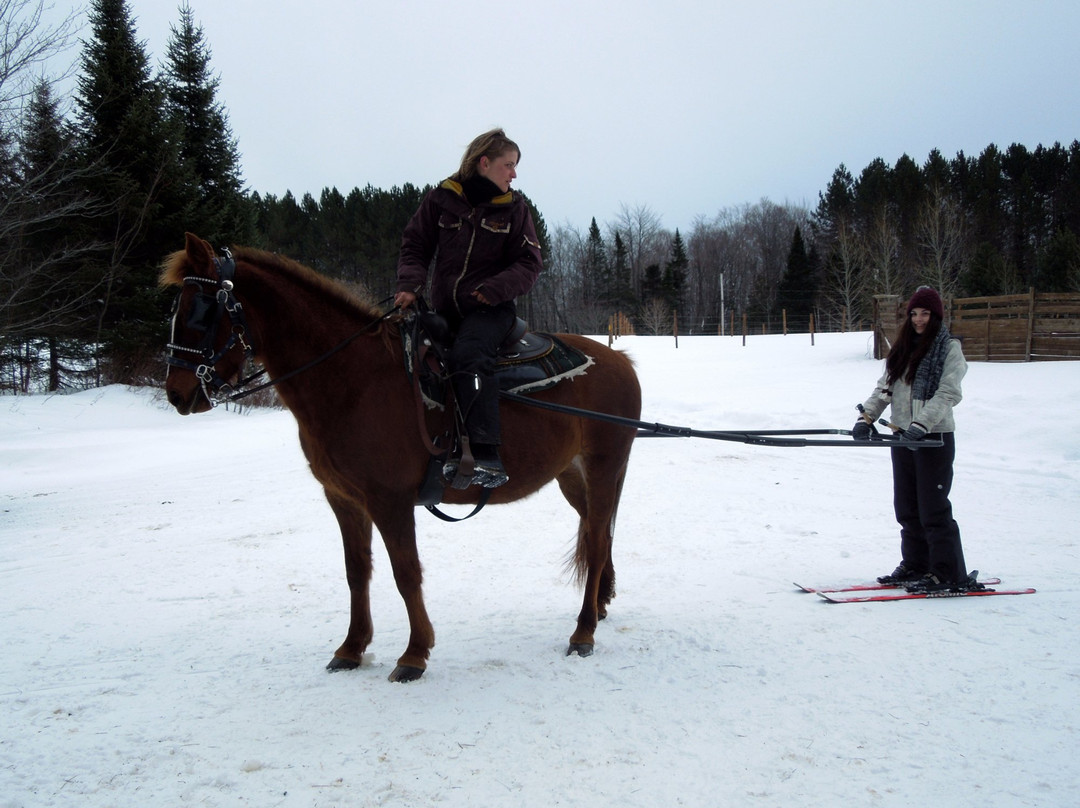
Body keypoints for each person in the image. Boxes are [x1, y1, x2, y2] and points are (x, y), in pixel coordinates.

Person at [395, 128, 543, 488]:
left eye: (515, 166)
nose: (514, 173)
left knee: (469, 354)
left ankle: (486, 454)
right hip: (445, 310)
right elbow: (415, 245)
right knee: (402, 351)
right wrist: (410, 286)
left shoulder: (515, 210)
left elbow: (529, 263)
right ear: (485, 162)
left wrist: (494, 289)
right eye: (508, 165)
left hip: (491, 310)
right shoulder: (442, 199)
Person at [851, 286, 978, 593]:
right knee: (907, 507)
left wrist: (922, 424)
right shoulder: (904, 347)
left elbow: (949, 393)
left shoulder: (949, 349)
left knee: (933, 508)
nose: (919, 320)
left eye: (925, 314)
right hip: (902, 437)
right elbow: (886, 388)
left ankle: (947, 572)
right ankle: (916, 564)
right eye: (914, 314)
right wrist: (865, 419)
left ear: (936, 316)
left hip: (933, 437)